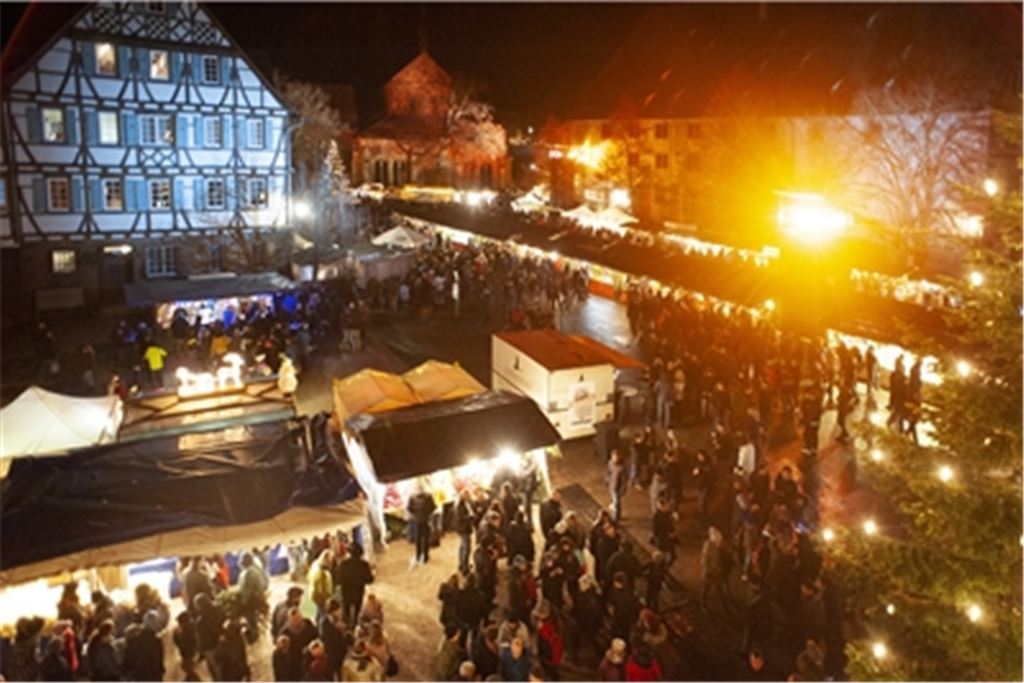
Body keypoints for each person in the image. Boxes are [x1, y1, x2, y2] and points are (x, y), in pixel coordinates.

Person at [123, 610, 165, 681]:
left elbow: (128, 660)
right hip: (153, 676)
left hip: (138, 676)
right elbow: (158, 662)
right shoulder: (156, 641)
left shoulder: (133, 640)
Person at [338, 543, 375, 626]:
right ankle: (354, 627)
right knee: (357, 612)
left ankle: (347, 628)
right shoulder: (364, 565)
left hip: (346, 592)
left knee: (346, 613)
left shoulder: (343, 564)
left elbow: (339, 580)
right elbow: (370, 579)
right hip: (358, 591)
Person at [700, 526, 732, 613]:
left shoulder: (717, 546)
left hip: (717, 572)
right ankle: (702, 604)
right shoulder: (708, 547)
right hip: (709, 572)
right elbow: (704, 561)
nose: (720, 543)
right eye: (719, 541)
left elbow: (720, 558)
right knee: (706, 589)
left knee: (719, 589)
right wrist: (708, 570)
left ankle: (724, 606)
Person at [194, 593, 224, 681]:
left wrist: (200, 654)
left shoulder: (200, 621)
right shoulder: (218, 610)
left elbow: (200, 639)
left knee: (217, 671)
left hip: (210, 648)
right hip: (222, 642)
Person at [284, 607, 319, 682]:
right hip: (294, 666)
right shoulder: (286, 633)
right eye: (293, 620)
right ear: (289, 621)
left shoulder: (309, 627)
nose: (296, 622)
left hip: (309, 664)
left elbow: (317, 641)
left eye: (298, 618)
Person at [534, 600, 565, 681]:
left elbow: (546, 640)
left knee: (551, 671)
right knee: (552, 670)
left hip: (550, 654)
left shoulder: (548, 626)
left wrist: (541, 628)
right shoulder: (555, 621)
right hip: (553, 654)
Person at [408, 485, 437, 566]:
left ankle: (418, 555)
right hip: (426, 520)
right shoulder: (428, 497)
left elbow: (409, 509)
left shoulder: (412, 497)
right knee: (426, 538)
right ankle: (425, 556)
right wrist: (428, 514)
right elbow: (433, 507)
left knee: (418, 539)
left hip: (417, 520)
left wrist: (415, 515)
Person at [320, 599, 350, 676]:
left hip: (343, 654)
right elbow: (327, 640)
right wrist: (337, 629)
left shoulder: (342, 619)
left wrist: (345, 632)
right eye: (338, 610)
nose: (340, 612)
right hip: (332, 656)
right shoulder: (325, 623)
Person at [308, 549, 335, 620]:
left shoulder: (315, 564)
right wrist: (328, 598)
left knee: (318, 613)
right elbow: (323, 590)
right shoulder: (322, 573)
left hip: (314, 594)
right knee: (323, 615)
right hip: (321, 598)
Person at [172, 611, 199, 681]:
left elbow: (176, 640)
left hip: (187, 651)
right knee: (188, 665)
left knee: (187, 665)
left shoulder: (182, 629)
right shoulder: (189, 627)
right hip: (187, 651)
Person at [455, 488, 476, 574]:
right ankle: (464, 567)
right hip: (463, 529)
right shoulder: (460, 505)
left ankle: (462, 564)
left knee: (462, 547)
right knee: (466, 548)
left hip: (465, 528)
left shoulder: (466, 503)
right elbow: (461, 517)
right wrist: (470, 517)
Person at [606, 449, 629, 523]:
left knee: (616, 503)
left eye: (616, 457)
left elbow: (624, 481)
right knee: (616, 502)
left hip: (617, 488)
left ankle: (616, 518)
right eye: (613, 457)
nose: (614, 459)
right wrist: (607, 480)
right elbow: (608, 472)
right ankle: (617, 514)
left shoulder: (622, 468)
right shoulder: (610, 463)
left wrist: (622, 490)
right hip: (611, 486)